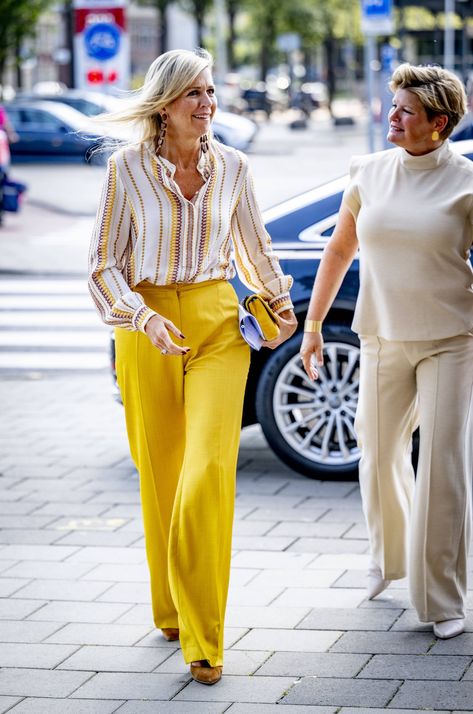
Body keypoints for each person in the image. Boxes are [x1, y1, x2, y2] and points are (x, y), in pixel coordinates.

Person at [88, 48, 296, 684]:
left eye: (210, 93)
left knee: (206, 471)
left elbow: (255, 247)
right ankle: (170, 606)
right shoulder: (125, 170)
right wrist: (142, 318)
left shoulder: (233, 166)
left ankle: (205, 637)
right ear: (164, 105)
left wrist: (285, 311)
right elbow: (103, 264)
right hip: (147, 328)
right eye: (194, 95)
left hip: (215, 325)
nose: (208, 104)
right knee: (162, 477)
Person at [300, 63, 473, 640]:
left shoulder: (467, 181)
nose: (390, 117)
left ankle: (442, 598)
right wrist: (314, 324)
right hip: (380, 335)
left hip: (451, 340)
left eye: (404, 111)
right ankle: (389, 557)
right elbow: (339, 250)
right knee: (374, 453)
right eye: (392, 106)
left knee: (441, 468)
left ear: (437, 124)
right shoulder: (368, 172)